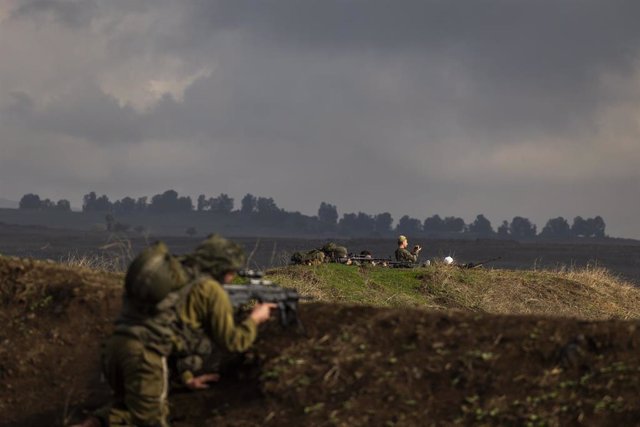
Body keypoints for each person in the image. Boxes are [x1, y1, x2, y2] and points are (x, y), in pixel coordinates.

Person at [75, 235, 275, 427]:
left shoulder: (175, 278)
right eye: (231, 271)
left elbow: (174, 331)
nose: (232, 277)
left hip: (116, 348)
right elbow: (233, 341)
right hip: (145, 355)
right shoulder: (209, 289)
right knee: (151, 421)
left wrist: (186, 378)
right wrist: (255, 318)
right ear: (220, 267)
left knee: (128, 409)